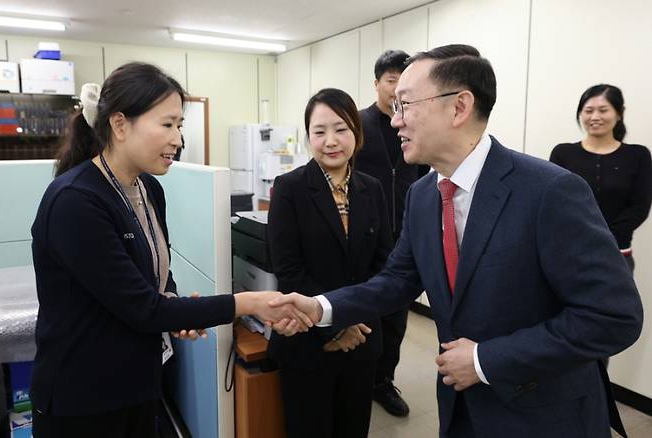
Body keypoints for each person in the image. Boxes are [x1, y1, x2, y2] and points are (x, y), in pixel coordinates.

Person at [268, 45, 643, 438]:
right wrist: (319, 307)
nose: (395, 122)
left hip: (541, 414)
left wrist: (484, 360)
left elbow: (614, 317)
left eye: (405, 104)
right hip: (461, 408)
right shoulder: (424, 194)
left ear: (459, 107)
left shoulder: (549, 191)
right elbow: (397, 280)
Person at [30, 62, 310, 438]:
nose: (178, 139)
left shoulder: (148, 189)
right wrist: (249, 303)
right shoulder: (75, 201)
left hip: (137, 383)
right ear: (120, 124)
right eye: (167, 124)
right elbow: (143, 308)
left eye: (180, 125)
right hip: (84, 398)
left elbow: (156, 272)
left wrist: (176, 303)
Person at [267, 88, 393, 438]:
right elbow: (288, 270)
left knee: (353, 428)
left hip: (362, 341)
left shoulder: (373, 189)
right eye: (319, 131)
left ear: (357, 132)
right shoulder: (289, 188)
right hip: (307, 341)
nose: (330, 141)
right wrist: (338, 323)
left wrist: (353, 322)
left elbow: (384, 265)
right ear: (308, 137)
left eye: (340, 129)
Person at [354, 49, 429, 417]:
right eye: (391, 80)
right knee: (364, 312)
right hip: (364, 236)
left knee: (396, 320)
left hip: (403, 237)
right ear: (377, 83)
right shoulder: (358, 123)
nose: (397, 88)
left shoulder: (415, 124)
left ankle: (382, 381)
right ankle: (358, 378)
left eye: (405, 81)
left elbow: (424, 173)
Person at [550, 84, 652, 272]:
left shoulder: (638, 155)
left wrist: (604, 238)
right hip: (569, 252)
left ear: (619, 113)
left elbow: (640, 207)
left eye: (603, 110)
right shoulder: (563, 153)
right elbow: (555, 203)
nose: (595, 117)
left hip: (618, 255)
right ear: (580, 113)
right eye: (588, 110)